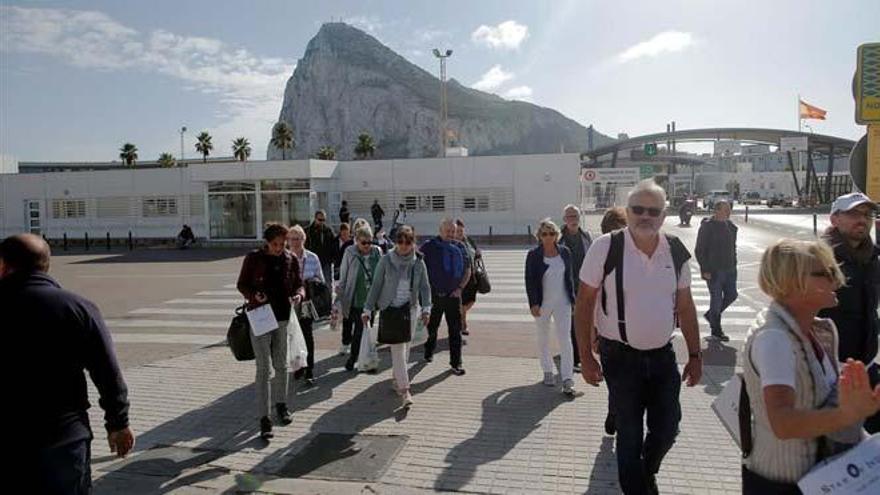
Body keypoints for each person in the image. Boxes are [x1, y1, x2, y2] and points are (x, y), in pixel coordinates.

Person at [575, 179, 701, 495]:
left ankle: (647, 472)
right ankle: (637, 487)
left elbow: (685, 306)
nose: (645, 216)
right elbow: (585, 302)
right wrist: (586, 357)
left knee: (668, 429)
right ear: (627, 211)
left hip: (662, 356)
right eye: (638, 209)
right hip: (620, 356)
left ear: (664, 214)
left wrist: (696, 355)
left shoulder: (675, 250)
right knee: (629, 436)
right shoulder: (605, 247)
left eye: (653, 210)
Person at [741, 238, 880, 493]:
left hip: (821, 477)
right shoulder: (775, 339)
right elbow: (783, 423)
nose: (837, 278)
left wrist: (854, 400)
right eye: (825, 272)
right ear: (792, 281)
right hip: (784, 484)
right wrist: (846, 414)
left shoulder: (816, 329)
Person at [3, 234, 134, 494]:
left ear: (3, 265)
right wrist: (118, 423)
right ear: (46, 264)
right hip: (63, 440)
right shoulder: (78, 307)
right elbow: (107, 372)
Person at [819, 192, 880, 433]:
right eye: (854, 213)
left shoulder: (872, 257)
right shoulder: (819, 258)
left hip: (864, 365)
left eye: (867, 214)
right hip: (829, 371)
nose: (862, 220)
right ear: (834, 219)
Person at [237, 223, 303, 440]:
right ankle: (264, 418)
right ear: (267, 242)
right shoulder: (254, 258)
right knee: (264, 369)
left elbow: (299, 285)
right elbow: (242, 284)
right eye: (275, 244)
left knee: (281, 364)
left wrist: (299, 296)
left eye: (282, 244)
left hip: (282, 317)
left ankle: (281, 406)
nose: (279, 248)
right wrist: (254, 296)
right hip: (261, 317)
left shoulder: (290, 259)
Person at [362, 226, 432, 408]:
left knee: (406, 349)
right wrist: (367, 309)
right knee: (398, 351)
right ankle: (405, 390)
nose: (403, 246)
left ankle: (396, 379)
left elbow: (425, 287)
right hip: (391, 310)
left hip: (410, 310)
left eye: (407, 242)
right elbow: (376, 286)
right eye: (400, 242)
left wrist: (427, 309)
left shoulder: (418, 262)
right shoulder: (386, 260)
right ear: (396, 242)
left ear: (413, 243)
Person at [525, 219, 577, 397]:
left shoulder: (565, 252)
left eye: (552, 233)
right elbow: (530, 281)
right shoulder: (533, 255)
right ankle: (547, 370)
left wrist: (573, 300)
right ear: (539, 236)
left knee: (566, 339)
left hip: (563, 302)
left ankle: (567, 378)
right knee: (543, 337)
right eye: (544, 234)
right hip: (542, 303)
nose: (548, 237)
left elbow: (569, 278)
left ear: (557, 235)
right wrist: (533, 303)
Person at [421, 218, 471, 375]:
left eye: (453, 231)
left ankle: (456, 363)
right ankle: (428, 351)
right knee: (432, 328)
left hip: (453, 296)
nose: (451, 234)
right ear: (440, 230)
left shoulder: (460, 246)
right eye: (448, 231)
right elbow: (417, 263)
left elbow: (468, 269)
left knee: (455, 331)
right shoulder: (430, 246)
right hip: (435, 296)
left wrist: (460, 288)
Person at [334, 224, 382, 370]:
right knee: (360, 330)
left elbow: (382, 273)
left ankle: (362, 359)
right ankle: (355, 358)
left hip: (371, 300)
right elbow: (344, 273)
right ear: (356, 240)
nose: (367, 245)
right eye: (363, 242)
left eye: (369, 241)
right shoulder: (350, 252)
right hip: (355, 298)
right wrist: (339, 294)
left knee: (366, 330)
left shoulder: (377, 252)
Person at [598, 206, 628, 436]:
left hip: (626, 332)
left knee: (622, 381)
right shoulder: (600, 254)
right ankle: (615, 409)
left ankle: (616, 410)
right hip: (610, 333)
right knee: (616, 380)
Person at [695, 199, 738, 342]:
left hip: (730, 268)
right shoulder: (707, 227)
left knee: (732, 295)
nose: (728, 212)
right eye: (725, 209)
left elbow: (733, 247)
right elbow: (699, 250)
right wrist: (705, 269)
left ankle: (711, 316)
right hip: (714, 270)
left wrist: (734, 262)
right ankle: (716, 330)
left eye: (729, 209)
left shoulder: (731, 227)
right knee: (717, 299)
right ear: (717, 210)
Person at [288, 224, 326, 386]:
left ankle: (309, 369)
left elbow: (321, 281)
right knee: (292, 336)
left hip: (307, 302)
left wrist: (310, 283)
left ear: (304, 239)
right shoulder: (285, 257)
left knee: (307, 335)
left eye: (298, 239)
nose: (295, 242)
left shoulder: (312, 257)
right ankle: (297, 367)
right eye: (292, 239)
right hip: (289, 303)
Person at [559, 204, 593, 373]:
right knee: (571, 323)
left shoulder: (586, 236)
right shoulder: (558, 238)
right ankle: (575, 358)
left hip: (584, 286)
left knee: (581, 321)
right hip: (565, 287)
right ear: (564, 219)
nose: (573, 220)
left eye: (575, 216)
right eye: (569, 217)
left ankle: (575, 354)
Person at [454, 219, 481, 336]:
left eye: (462, 231)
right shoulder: (452, 244)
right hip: (460, 277)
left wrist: (478, 253)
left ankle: (461, 316)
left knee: (471, 301)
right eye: (458, 231)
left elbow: (476, 252)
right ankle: (463, 324)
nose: (460, 233)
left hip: (472, 276)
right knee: (462, 302)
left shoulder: (468, 240)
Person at [305, 209, 336, 284]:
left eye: (323, 220)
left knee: (327, 283)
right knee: (312, 284)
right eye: (320, 220)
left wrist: (332, 258)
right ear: (315, 219)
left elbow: (333, 245)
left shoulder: (328, 231)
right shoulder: (308, 231)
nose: (321, 222)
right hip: (311, 261)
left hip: (325, 261)